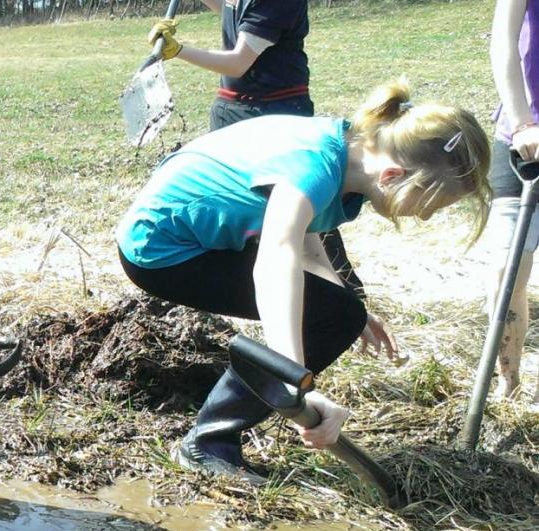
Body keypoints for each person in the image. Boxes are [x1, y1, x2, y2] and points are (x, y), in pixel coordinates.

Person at [115, 80, 491, 483]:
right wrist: (292, 377)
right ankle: (207, 441)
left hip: (201, 235)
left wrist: (344, 306)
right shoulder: (313, 163)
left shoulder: (346, 153)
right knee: (332, 316)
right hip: (162, 251)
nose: (428, 217)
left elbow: (306, 239)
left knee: (339, 313)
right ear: (393, 175)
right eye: (431, 203)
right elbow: (277, 261)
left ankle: (238, 398)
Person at [148, 0, 365, 296]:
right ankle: (261, 292)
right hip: (234, 107)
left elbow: (238, 62)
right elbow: (231, 9)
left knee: (305, 213)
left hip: (275, 110)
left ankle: (342, 296)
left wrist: (179, 50)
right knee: (239, 208)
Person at [486, 0, 539, 400]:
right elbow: (503, 42)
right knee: (507, 268)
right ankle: (508, 382)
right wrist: (523, 122)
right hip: (522, 141)